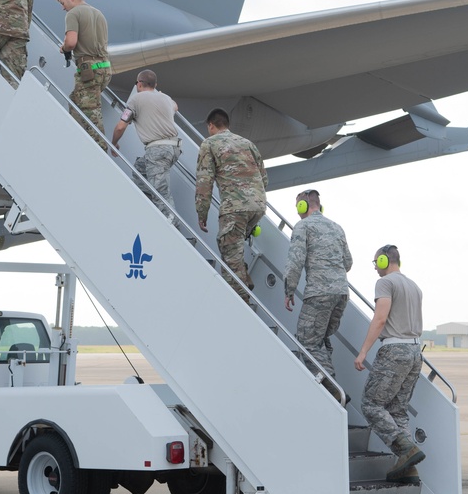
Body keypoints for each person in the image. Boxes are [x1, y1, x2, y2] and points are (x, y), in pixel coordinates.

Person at [353, 244, 426, 484]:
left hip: (394, 350)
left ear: (384, 261)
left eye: (376, 263)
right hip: (415, 352)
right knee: (397, 410)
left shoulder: (385, 283)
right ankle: (408, 469)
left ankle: (404, 447)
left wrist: (363, 351)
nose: (375, 268)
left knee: (371, 404)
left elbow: (381, 317)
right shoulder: (413, 286)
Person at [195, 108, 268, 303]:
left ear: (211, 125)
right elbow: (264, 178)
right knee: (233, 248)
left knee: (229, 256)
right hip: (258, 206)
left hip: (235, 208)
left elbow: (205, 182)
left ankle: (240, 301)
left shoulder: (209, 144)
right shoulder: (247, 143)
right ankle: (244, 277)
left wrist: (201, 213)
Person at [284, 189, 352, 380]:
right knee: (320, 339)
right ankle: (328, 387)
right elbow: (348, 263)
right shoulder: (337, 228)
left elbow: (295, 262)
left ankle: (330, 387)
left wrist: (289, 290)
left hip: (318, 294)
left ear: (302, 205)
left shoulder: (303, 226)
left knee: (307, 341)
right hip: (341, 294)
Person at [111, 70, 182, 224]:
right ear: (155, 85)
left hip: (157, 149)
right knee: (139, 170)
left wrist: (114, 143)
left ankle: (171, 224)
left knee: (160, 191)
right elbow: (175, 107)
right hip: (173, 148)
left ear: (139, 84)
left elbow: (120, 127)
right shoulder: (166, 98)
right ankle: (152, 208)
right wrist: (161, 96)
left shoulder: (135, 100)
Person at [57, 0, 111, 150]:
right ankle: (78, 142)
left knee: (90, 112)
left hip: (89, 70)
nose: (63, 8)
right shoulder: (98, 13)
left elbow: (71, 42)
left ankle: (100, 150)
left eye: (63, 3)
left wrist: (64, 47)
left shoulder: (74, 13)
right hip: (105, 68)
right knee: (75, 101)